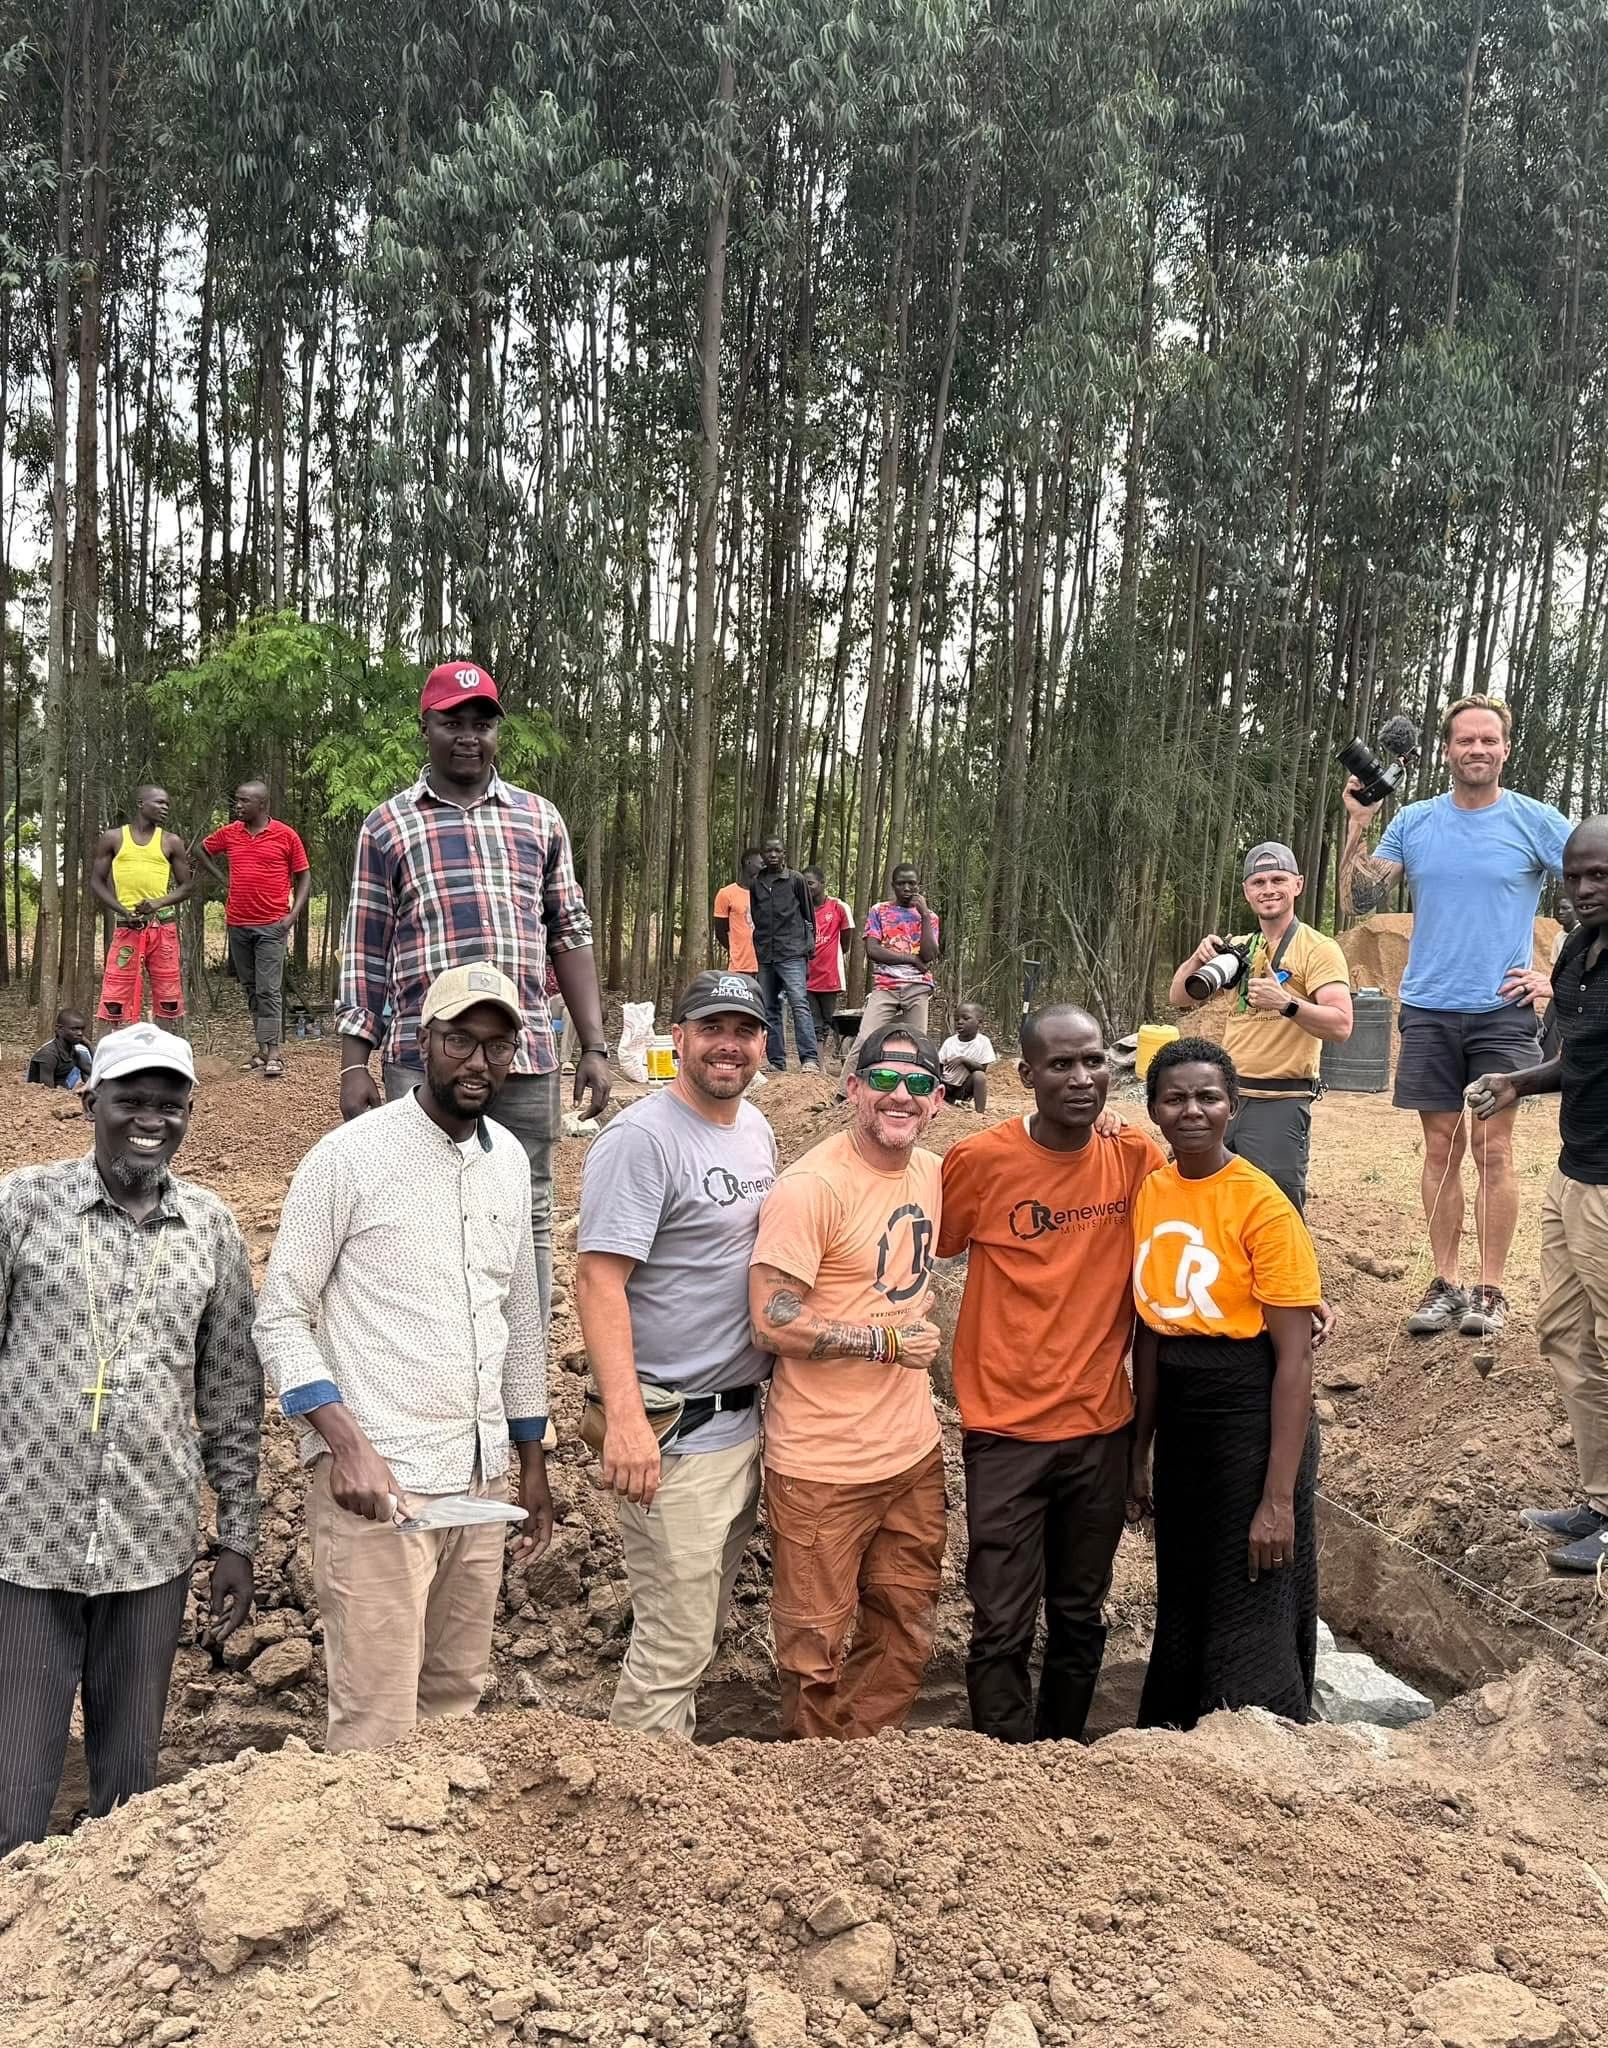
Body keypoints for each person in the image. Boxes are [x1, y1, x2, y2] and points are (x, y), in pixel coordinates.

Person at [255, 964, 553, 1753]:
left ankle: (431, 1871)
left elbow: (520, 1317)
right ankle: (358, 1875)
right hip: (379, 1485)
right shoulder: (348, 1158)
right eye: (461, 1040)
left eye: (497, 1045)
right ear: (422, 1043)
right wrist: (345, 1447)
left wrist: (531, 1465)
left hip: (480, 1480)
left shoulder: (510, 1161)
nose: (478, 1061)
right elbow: (280, 1316)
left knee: (455, 1700)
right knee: (377, 1723)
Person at [0, 1022, 260, 1855]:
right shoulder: (23, 1205)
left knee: (129, 1794)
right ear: (89, 1103)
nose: (152, 1118)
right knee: (15, 1792)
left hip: (152, 1546)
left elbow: (230, 1393)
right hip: (26, 1544)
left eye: (169, 1104)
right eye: (131, 1101)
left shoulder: (211, 1230)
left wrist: (239, 1539)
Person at [336, 659, 611, 1327]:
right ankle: (429, 1367)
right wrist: (353, 1061)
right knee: (419, 1203)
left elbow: (568, 933)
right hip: (419, 1050)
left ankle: (521, 1388)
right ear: (424, 728)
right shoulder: (388, 825)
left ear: (496, 732)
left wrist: (595, 1046)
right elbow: (366, 942)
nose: (468, 735)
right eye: (450, 721)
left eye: (481, 722)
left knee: (529, 1203)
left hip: (525, 1053)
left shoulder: (539, 820)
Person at [939, 1005, 1164, 1742]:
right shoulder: (980, 1163)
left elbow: (1198, 1222)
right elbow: (928, 1246)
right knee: (1000, 1617)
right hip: (1005, 1429)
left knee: (1079, 1612)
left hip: (1101, 1427)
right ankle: (1002, 1767)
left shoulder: (1134, 1158)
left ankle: (1066, 1758)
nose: (1082, 1078)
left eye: (1094, 1061)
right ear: (1026, 1075)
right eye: (1061, 1065)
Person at [577, 970, 776, 1736]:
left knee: (696, 1635)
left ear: (762, 1043)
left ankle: (667, 1805)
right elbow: (598, 1280)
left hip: (739, 1427)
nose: (729, 1046)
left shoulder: (754, 1128)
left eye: (745, 1031)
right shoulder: (643, 1139)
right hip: (672, 1435)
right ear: (680, 1038)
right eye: (712, 1029)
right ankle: (639, 1819)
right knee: (672, 1647)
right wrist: (625, 1421)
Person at [1340, 695, 1570, 1339]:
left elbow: (1594, 886)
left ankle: (1492, 1291)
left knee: (1495, 1150)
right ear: (1446, 750)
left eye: (1487, 740)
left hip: (1503, 1012)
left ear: (1504, 748)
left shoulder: (1534, 820)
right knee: (1441, 1148)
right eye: (1464, 740)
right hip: (1430, 1009)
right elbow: (1360, 898)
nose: (1476, 749)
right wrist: (1358, 824)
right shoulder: (1414, 822)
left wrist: (1556, 976)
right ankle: (1445, 1283)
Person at [750, 1026, 946, 1739]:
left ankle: (872, 1764)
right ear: (853, 1088)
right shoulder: (811, 1187)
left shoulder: (930, 1171)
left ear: (938, 1103)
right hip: (821, 1466)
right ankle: (815, 1787)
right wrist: (884, 1342)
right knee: (816, 1645)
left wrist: (1111, 1123)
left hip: (912, 1454)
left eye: (919, 1084)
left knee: (905, 1624)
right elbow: (771, 1323)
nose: (901, 1095)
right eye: (885, 1081)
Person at [1128, 1037, 1322, 1732]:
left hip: (1253, 1409)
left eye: (1209, 1097)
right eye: (1175, 1097)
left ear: (1234, 1107)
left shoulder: (1263, 1205)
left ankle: (1258, 1746)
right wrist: (1139, 1457)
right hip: (1183, 1413)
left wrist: (1277, 1500)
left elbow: (1295, 1362)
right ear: (1153, 1109)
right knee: (1185, 1588)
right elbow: (1150, 1331)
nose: (1193, 1111)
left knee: (1253, 1585)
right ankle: (1180, 1741)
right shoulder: (1152, 1189)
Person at [1469, 818, 1608, 1573]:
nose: (1585, 890)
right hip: (1572, 1173)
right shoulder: (1579, 951)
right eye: (1575, 877)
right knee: (1563, 1333)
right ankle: (1599, 1499)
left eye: (1600, 876)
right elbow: (1574, 1058)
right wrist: (1514, 1081)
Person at [1169, 842, 1353, 1212]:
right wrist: (1197, 958)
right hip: (1223, 1098)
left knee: (1275, 1210)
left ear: (1298, 885)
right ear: (1246, 892)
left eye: (1278, 879)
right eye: (1258, 882)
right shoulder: (1239, 948)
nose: (1268, 889)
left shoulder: (1318, 949)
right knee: (1202, 1200)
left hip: (1279, 1102)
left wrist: (1285, 1003)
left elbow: (1341, 1024)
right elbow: (1179, 998)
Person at [200, 781, 312, 1080]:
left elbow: (303, 877)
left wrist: (292, 917)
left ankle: (274, 1052)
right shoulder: (230, 833)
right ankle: (262, 1048)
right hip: (238, 923)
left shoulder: (286, 835)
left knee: (268, 989)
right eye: (236, 800)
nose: (237, 806)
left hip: (272, 925)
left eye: (243, 801)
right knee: (251, 987)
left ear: (261, 805)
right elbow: (200, 851)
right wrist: (224, 879)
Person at [90, 786, 193, 1032]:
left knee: (167, 994)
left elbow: (187, 886)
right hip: (127, 927)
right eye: (159, 803)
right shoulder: (114, 838)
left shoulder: (171, 841)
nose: (165, 808)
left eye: (167, 804)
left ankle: (164, 1052)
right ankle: (107, 1052)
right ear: (140, 803)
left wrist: (157, 903)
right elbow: (96, 881)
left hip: (162, 927)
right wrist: (123, 910)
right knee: (115, 994)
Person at [750, 835, 821, 1072]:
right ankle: (776, 1062)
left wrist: (808, 949)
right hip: (765, 953)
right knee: (769, 1006)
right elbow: (756, 914)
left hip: (792, 952)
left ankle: (809, 1059)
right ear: (762, 855)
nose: (772, 855)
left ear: (784, 853)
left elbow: (809, 917)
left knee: (799, 1003)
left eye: (777, 851)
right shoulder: (757, 883)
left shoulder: (795, 880)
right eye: (768, 851)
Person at [804, 866, 853, 1058]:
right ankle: (819, 1061)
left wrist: (836, 953)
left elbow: (846, 936)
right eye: (804, 884)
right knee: (814, 1019)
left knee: (829, 1017)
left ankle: (839, 1051)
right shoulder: (800, 908)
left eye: (811, 884)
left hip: (830, 974)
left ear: (822, 884)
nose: (808, 888)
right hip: (807, 974)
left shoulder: (838, 907)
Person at [938, 1001, 997, 1113]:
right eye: (957, 1019)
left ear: (979, 1023)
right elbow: (939, 1066)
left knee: (979, 1076)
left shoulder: (983, 1042)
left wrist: (963, 1059)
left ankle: (980, 1113)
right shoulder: (950, 1042)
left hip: (963, 1089)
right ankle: (942, 1102)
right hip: (945, 1087)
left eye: (965, 1018)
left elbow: (982, 1069)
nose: (960, 1022)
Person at [714, 849, 763, 974]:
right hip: (739, 966)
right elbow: (720, 931)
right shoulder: (726, 894)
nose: (764, 867)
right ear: (748, 862)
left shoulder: (765, 893)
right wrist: (735, 950)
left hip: (765, 965)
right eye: (761, 864)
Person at [26, 1009, 92, 1091]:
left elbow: (97, 1073)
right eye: (74, 1029)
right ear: (60, 1029)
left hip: (62, 1095)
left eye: (82, 1029)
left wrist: (89, 1046)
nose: (80, 1033)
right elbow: (47, 1090)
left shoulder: (73, 1052)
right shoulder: (48, 1054)